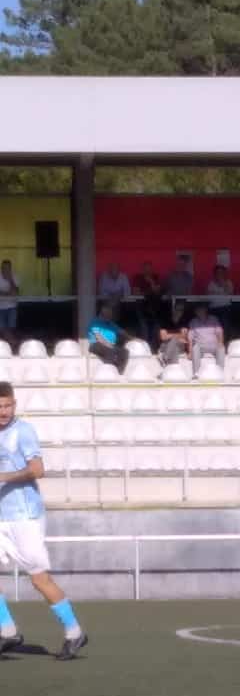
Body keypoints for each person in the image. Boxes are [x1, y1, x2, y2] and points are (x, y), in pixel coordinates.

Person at [0, 382, 88, 660]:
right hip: (1, 517)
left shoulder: (23, 431)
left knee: (39, 579)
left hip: (24, 517)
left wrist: (4, 477)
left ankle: (74, 632)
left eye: (7, 405)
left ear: (14, 404)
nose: (3, 411)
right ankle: (7, 631)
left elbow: (38, 470)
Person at [86, 303, 129, 372]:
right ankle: (108, 371)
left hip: (110, 345)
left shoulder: (111, 324)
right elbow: (99, 338)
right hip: (96, 344)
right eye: (107, 314)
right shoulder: (95, 323)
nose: (110, 316)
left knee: (125, 352)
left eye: (110, 314)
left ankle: (119, 372)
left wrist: (134, 339)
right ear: (102, 314)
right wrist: (109, 345)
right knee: (110, 352)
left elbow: (122, 332)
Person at [186, 303, 226, 375]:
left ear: (206, 310)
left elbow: (220, 332)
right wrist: (190, 352)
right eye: (198, 310)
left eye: (202, 309)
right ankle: (196, 373)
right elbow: (190, 338)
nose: (200, 312)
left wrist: (220, 342)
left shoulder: (213, 319)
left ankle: (220, 373)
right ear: (195, 312)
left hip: (214, 345)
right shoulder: (193, 322)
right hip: (200, 346)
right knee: (195, 348)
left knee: (221, 348)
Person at [0, 258, 20, 333]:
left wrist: (10, 280)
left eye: (7, 268)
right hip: (0, 307)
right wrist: (8, 293)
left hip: (12, 307)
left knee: (11, 328)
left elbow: (16, 292)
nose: (5, 270)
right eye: (4, 268)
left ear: (10, 268)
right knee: (2, 329)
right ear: (1, 268)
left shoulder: (15, 276)